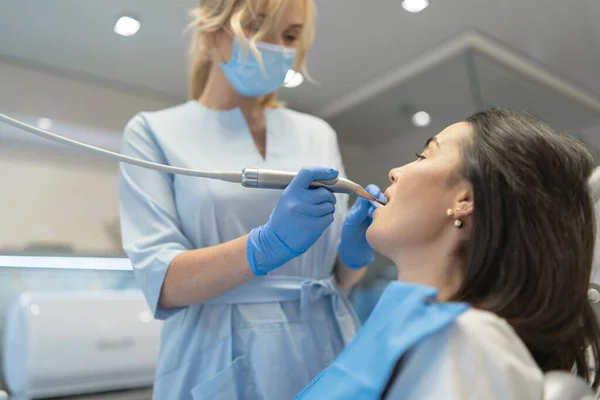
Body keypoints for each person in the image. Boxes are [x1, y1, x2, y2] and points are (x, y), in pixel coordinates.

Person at [118, 0, 382, 399]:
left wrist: (354, 254)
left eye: (290, 36)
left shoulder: (317, 133)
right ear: (210, 31)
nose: (276, 46)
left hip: (325, 344)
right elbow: (163, 282)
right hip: (217, 352)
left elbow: (337, 279)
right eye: (258, 28)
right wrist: (265, 246)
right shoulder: (153, 133)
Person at [296, 108, 600, 399]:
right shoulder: (402, 335)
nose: (395, 172)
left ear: (466, 199)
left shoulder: (470, 342)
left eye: (424, 155)